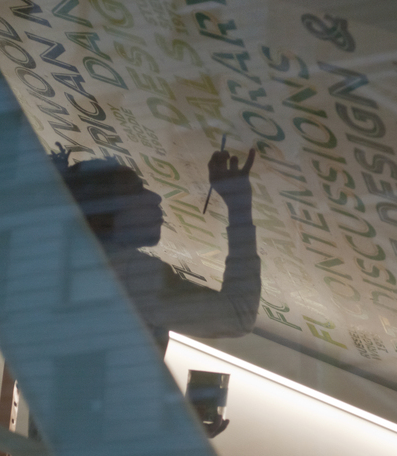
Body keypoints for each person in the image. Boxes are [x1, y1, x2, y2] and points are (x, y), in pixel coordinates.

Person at [50, 144, 261, 437]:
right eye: (137, 192)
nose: (155, 197)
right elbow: (238, 315)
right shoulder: (127, 276)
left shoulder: (64, 262)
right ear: (103, 214)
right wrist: (239, 207)